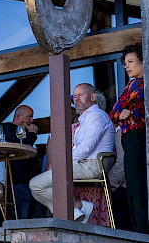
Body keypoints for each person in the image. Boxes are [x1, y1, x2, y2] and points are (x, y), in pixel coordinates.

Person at [30, 83, 115, 222]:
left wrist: (61, 164)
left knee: (35, 184)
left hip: (92, 166)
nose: (76, 99)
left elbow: (85, 149)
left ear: (93, 97)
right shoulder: (86, 119)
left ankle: (75, 207)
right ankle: (74, 211)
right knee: (36, 189)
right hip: (83, 164)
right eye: (74, 96)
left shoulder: (97, 117)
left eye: (81, 95)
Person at [110, 44, 147, 233]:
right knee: (135, 180)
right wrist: (119, 113)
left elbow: (115, 109)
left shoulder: (139, 83)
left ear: (143, 61)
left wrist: (118, 113)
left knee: (137, 180)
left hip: (137, 135)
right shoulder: (134, 84)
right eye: (125, 63)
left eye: (130, 62)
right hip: (133, 136)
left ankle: (140, 226)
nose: (126, 66)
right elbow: (115, 111)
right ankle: (140, 226)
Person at [0, 105, 40, 219]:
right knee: (20, 217)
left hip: (27, 181)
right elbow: (20, 147)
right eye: (29, 116)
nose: (31, 120)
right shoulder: (8, 129)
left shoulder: (24, 131)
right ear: (18, 117)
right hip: (17, 181)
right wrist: (32, 134)